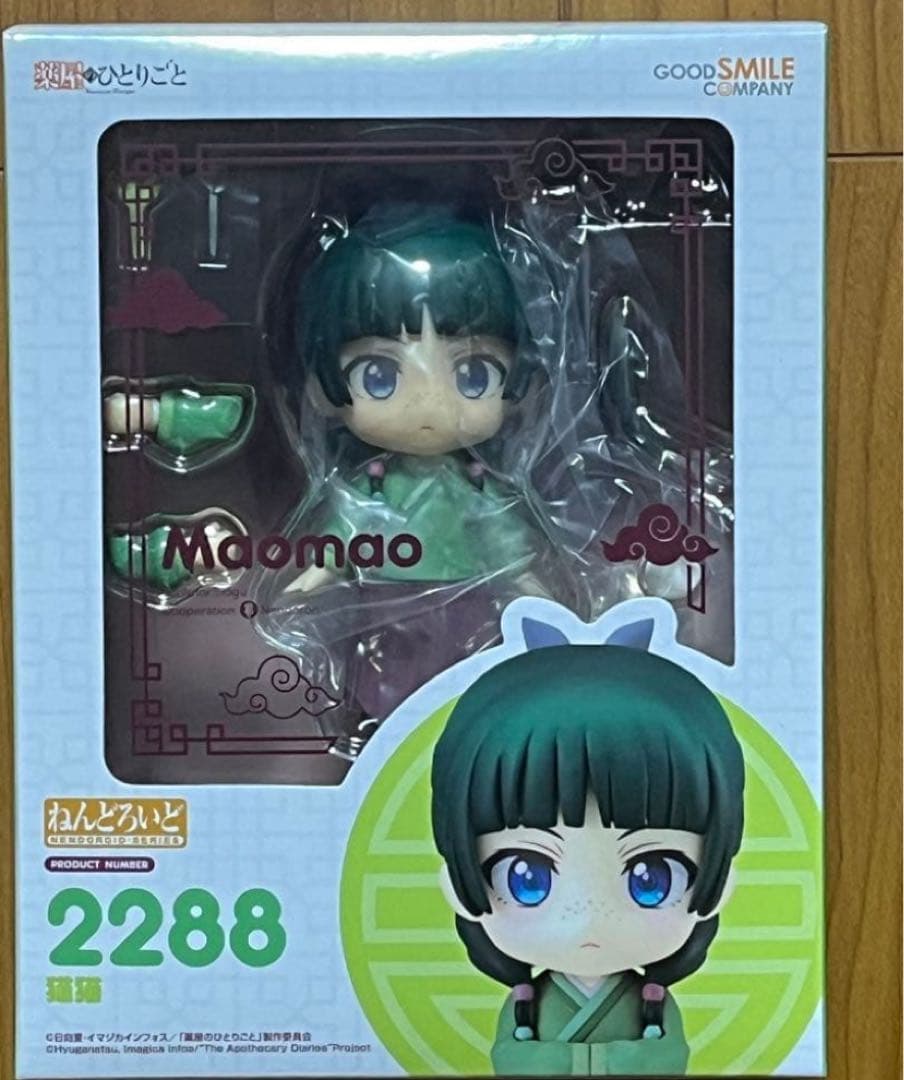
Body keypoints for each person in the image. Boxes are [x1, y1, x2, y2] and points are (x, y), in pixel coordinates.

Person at [431, 631, 745, 1075]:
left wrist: (580, 1061)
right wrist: (600, 1060)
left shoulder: (652, 1001)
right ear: (458, 885)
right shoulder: (527, 1001)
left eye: (652, 878)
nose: (587, 918)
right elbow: (509, 1057)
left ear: (718, 884)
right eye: (526, 878)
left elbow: (668, 1057)